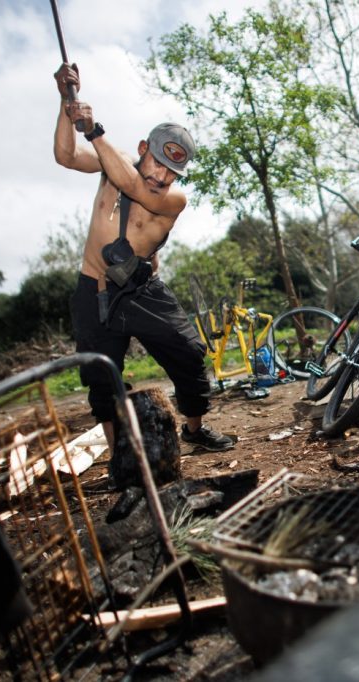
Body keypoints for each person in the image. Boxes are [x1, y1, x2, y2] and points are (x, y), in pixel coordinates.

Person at [52, 62, 234, 490]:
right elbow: (63, 155)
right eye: (155, 163)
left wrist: (94, 130)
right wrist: (66, 103)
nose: (160, 176)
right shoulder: (109, 166)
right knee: (102, 378)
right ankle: (119, 465)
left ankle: (194, 429)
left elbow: (133, 186)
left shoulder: (174, 199)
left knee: (189, 354)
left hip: (142, 290)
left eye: (171, 172)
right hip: (94, 288)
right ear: (141, 148)